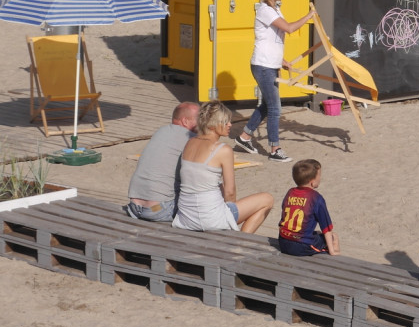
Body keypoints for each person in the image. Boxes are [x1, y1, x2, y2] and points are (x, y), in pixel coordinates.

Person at [235, 0, 315, 164]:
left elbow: (273, 40)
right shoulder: (265, 10)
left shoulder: (275, 10)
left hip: (269, 63)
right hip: (262, 65)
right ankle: (275, 148)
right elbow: (288, 28)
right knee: (275, 108)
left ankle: (244, 137)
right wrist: (309, 16)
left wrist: (282, 60)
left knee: (267, 105)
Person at [173, 101, 274, 233]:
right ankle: (240, 240)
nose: (230, 125)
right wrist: (229, 213)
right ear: (214, 124)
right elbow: (230, 192)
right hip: (210, 219)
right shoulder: (223, 150)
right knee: (267, 199)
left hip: (186, 218)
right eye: (225, 122)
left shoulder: (189, 143)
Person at [124, 102, 200, 222]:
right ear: (185, 121)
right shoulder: (190, 138)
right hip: (157, 210)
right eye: (199, 119)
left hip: (134, 207)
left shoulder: (161, 131)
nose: (203, 124)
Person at [278, 159, 339, 256]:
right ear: (312, 182)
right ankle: (336, 259)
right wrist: (332, 251)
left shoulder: (290, 192)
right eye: (319, 175)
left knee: (317, 233)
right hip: (301, 245)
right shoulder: (316, 198)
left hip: (283, 241)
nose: (320, 178)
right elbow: (326, 229)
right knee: (333, 237)